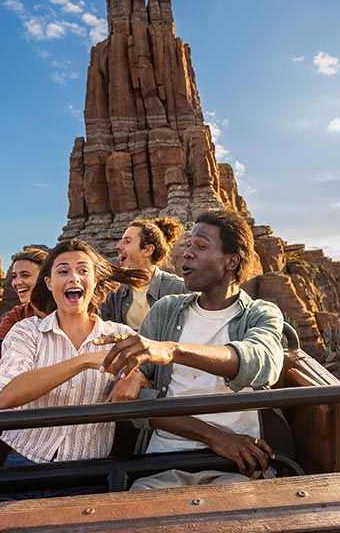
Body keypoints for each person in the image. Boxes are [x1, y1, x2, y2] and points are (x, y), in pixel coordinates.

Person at [97, 208, 284, 489]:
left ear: (231, 261)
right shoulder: (166, 311)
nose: (187, 253)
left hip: (235, 468)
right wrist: (214, 437)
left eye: (201, 246)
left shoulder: (259, 314)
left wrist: (173, 350)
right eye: (188, 245)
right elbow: (134, 399)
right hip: (161, 465)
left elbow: (262, 363)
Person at [0, 239, 149, 474]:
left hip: (89, 473)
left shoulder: (120, 335)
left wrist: (138, 377)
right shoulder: (27, 332)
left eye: (83, 270)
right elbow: (6, 396)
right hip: (23, 468)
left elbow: (158, 385)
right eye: (63, 271)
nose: (74, 278)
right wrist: (84, 361)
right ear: (49, 283)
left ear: (95, 280)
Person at [99, 216, 188, 329]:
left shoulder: (180, 289)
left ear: (148, 250)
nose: (118, 246)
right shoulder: (115, 295)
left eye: (127, 241)